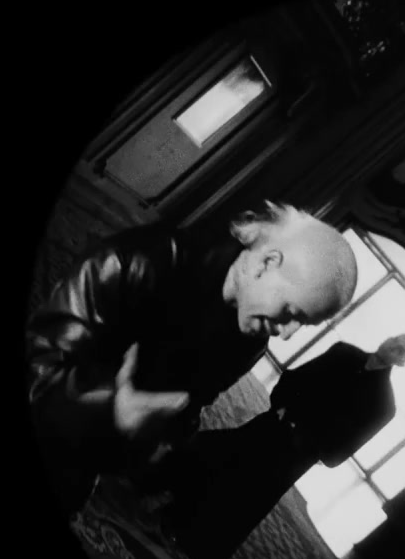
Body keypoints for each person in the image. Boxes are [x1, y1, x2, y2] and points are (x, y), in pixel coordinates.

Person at [25, 201, 359, 519]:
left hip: (81, 468)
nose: (287, 333)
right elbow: (37, 366)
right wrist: (111, 409)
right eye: (291, 312)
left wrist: (167, 440)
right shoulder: (134, 261)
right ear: (266, 263)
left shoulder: (251, 341)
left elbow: (193, 402)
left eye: (303, 324)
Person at [159, 334, 405, 559]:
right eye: (394, 341)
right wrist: (281, 405)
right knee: (227, 458)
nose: (393, 348)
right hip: (276, 422)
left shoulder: (384, 405)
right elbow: (299, 376)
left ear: (402, 363)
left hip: (298, 454)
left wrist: (305, 440)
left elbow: (347, 443)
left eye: (401, 351)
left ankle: (196, 543)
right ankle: (173, 507)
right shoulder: (344, 352)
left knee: (248, 496)